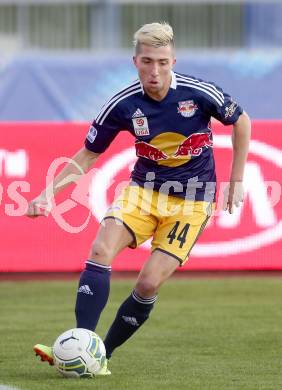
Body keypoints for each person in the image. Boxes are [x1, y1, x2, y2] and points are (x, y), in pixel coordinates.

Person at [27, 22, 251, 375]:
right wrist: (48, 195)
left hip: (192, 202)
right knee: (100, 250)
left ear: (173, 60)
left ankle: (104, 356)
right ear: (136, 62)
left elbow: (241, 121)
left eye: (162, 61)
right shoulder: (122, 104)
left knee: (148, 283)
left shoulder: (199, 93)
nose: (155, 70)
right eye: (147, 61)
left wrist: (236, 180)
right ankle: (82, 343)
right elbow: (87, 155)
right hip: (143, 192)